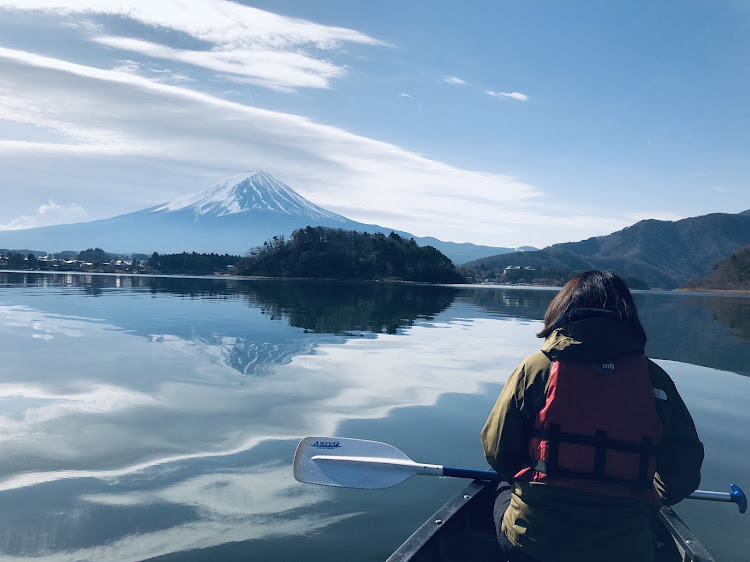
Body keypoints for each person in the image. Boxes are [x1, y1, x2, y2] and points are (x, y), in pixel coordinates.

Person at [480, 270, 704, 562]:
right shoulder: (655, 380)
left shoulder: (536, 369)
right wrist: (648, 495)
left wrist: (532, 481)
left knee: (497, 486)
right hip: (625, 549)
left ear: (562, 310)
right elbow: (683, 473)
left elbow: (496, 451)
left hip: (534, 543)